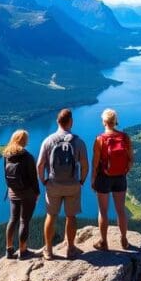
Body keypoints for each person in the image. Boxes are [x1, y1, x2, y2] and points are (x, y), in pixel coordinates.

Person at [37, 108, 89, 260]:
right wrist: (81, 181)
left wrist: (44, 180)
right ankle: (71, 249)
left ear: (57, 122)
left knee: (51, 216)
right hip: (73, 185)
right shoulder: (78, 141)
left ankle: (48, 250)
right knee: (71, 217)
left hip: (53, 184)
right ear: (71, 122)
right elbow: (85, 165)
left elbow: (40, 165)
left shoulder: (48, 140)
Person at [91, 108, 133, 251]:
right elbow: (131, 159)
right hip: (120, 177)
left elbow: (95, 162)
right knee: (120, 209)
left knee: (103, 211)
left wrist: (93, 178)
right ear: (115, 121)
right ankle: (124, 238)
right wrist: (124, 171)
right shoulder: (125, 137)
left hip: (104, 177)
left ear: (104, 122)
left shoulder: (100, 139)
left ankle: (104, 241)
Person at [3, 129, 39, 259]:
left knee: (12, 220)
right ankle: (23, 251)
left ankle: (9, 249)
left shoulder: (7, 155)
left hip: (13, 192)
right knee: (24, 221)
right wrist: (37, 193)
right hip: (27, 194)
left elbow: (5, 175)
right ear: (25, 141)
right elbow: (33, 178)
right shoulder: (27, 157)